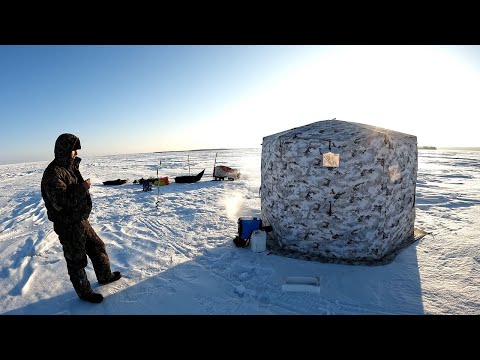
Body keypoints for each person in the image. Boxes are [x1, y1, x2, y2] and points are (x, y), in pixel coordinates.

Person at [41, 133, 121, 303]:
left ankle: (105, 276)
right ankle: (84, 293)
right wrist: (83, 187)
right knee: (76, 260)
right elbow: (61, 202)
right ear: (64, 150)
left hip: (80, 220)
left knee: (98, 247)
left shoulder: (69, 167)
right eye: (73, 150)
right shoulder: (53, 174)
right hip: (67, 225)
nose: (76, 153)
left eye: (76, 150)